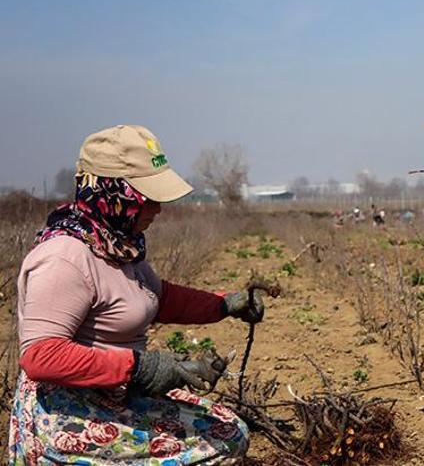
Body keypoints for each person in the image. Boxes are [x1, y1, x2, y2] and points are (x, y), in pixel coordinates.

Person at [10, 125, 264, 464]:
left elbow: (157, 298)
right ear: (114, 194)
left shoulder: (116, 247)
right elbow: (41, 356)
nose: (157, 209)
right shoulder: (64, 258)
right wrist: (142, 368)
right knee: (220, 442)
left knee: (229, 428)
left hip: (113, 395)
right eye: (148, 199)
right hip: (67, 413)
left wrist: (225, 304)